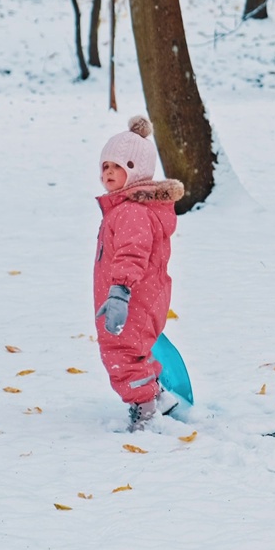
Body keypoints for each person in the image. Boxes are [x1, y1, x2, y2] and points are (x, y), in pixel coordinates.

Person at [94, 115, 184, 431]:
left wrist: (119, 292)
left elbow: (132, 255)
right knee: (127, 351)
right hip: (134, 296)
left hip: (132, 297)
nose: (108, 172)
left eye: (117, 166)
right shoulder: (125, 208)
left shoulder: (132, 211)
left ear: (134, 169)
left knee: (121, 354)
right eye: (105, 165)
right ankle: (157, 397)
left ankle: (144, 408)